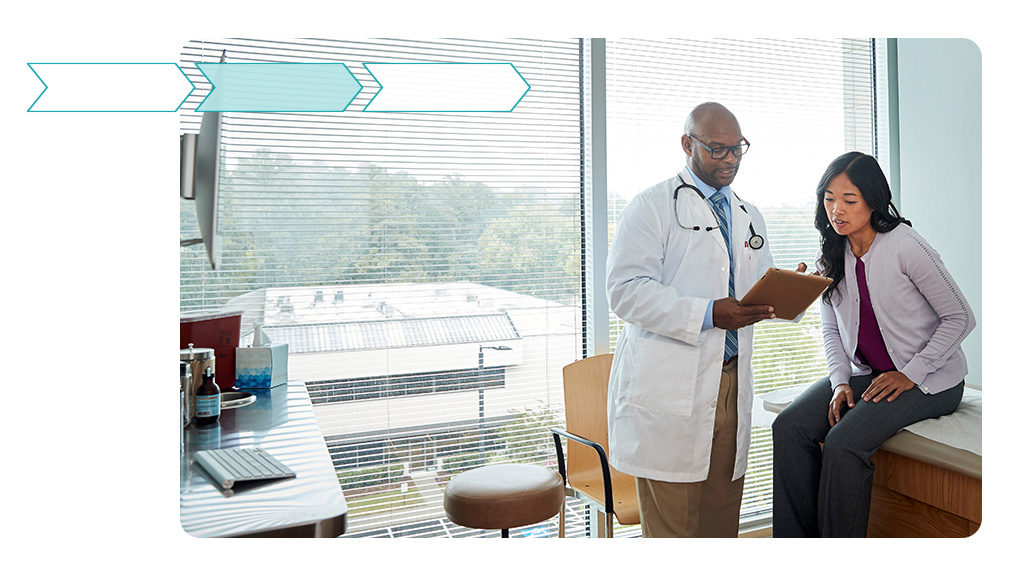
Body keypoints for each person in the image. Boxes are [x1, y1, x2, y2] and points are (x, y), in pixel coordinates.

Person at [606, 102, 802, 537]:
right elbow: (624, 292)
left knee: (720, 517)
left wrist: (786, 289)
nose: (730, 159)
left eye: (738, 149)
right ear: (686, 144)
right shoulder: (651, 206)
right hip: (671, 382)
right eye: (717, 150)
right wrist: (710, 313)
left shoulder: (749, 214)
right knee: (673, 527)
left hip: (730, 379)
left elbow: (754, 287)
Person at [771, 151, 975, 537]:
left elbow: (961, 317)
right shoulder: (834, 252)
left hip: (931, 380)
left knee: (843, 443)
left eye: (850, 200)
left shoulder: (906, 245)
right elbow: (831, 329)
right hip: (868, 374)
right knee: (789, 426)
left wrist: (910, 374)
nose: (837, 210)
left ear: (873, 200)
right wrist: (840, 382)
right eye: (829, 198)